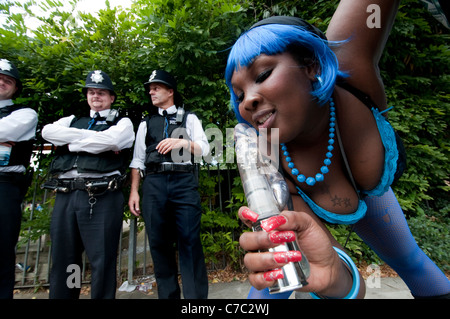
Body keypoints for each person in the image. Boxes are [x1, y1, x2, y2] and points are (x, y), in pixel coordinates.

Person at [225, 0, 450, 299]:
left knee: (409, 259)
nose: (248, 100)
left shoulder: (350, 64)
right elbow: (337, 280)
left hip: (373, 196)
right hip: (301, 209)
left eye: (263, 74)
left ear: (311, 65)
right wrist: (335, 280)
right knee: (276, 277)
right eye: (239, 94)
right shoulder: (268, 157)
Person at [41, 70, 135, 299]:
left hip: (101, 196)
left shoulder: (122, 122)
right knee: (66, 259)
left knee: (101, 259)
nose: (96, 96)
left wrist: (71, 140)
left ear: (111, 97)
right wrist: (89, 138)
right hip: (66, 195)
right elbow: (48, 132)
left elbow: (113, 140)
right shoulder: (71, 120)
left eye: (101, 93)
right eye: (91, 92)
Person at [128, 70, 209, 299]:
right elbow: (138, 160)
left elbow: (206, 149)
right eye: (150, 88)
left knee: (190, 241)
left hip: (183, 181)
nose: (151, 91)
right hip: (153, 184)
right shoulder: (146, 122)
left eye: (156, 87)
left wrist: (181, 141)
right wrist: (134, 191)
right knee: (159, 244)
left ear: (170, 91)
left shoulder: (189, 118)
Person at [0, 58, 38, 299]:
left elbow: (6, 131)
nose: (2, 83)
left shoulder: (25, 113)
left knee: (2, 250)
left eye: (8, 80)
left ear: (16, 87)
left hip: (4, 185)